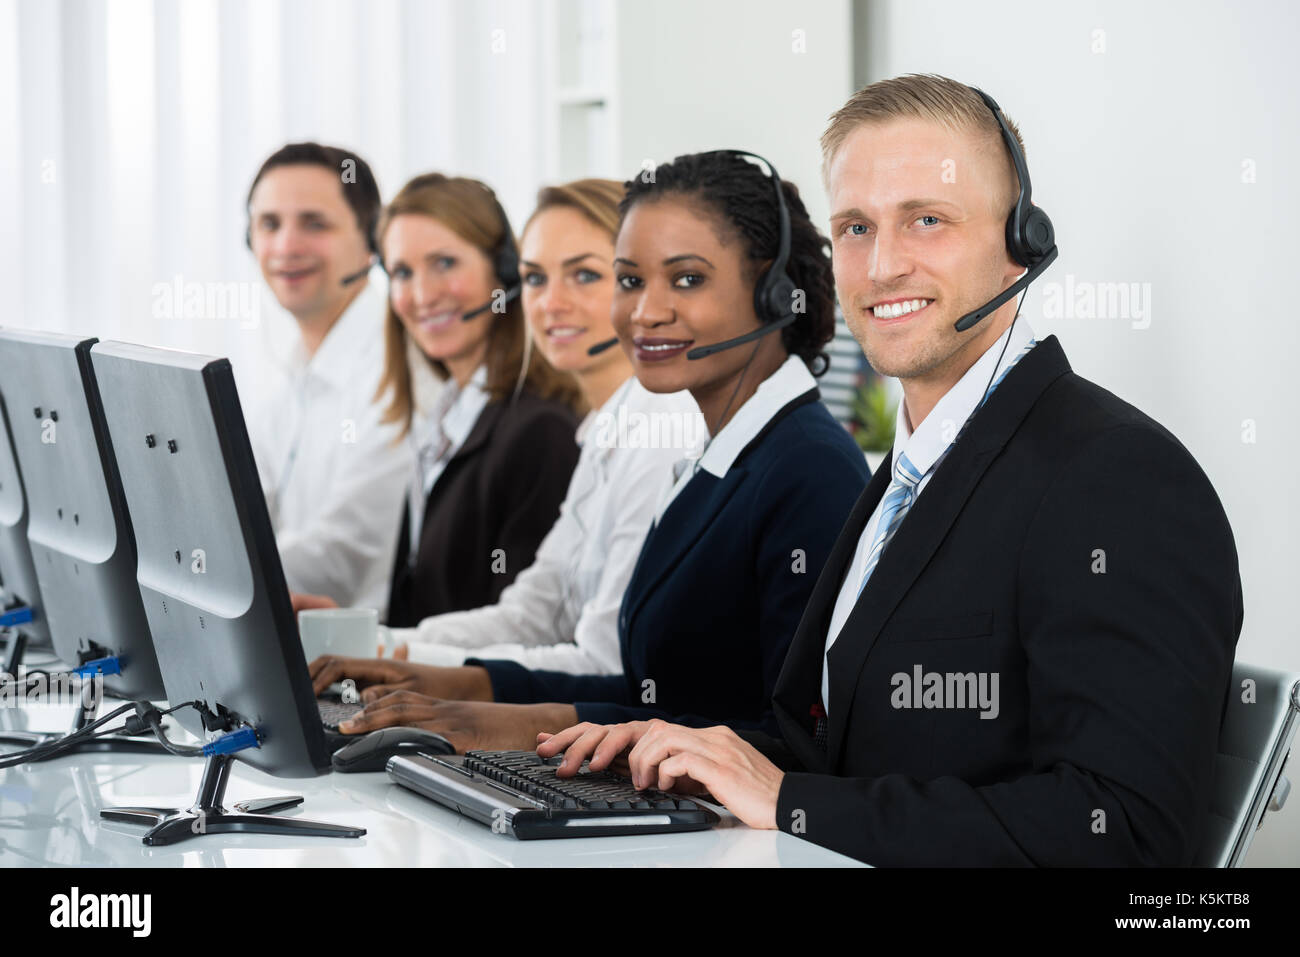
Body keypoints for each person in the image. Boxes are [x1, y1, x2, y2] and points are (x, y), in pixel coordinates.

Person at [538, 75, 1243, 868]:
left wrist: (787, 800)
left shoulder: (1116, 476)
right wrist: (696, 752)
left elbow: (1125, 829)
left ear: (1022, 244)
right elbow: (847, 753)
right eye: (855, 227)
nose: (881, 265)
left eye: (927, 220)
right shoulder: (909, 470)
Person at [309, 150, 871, 751]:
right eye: (630, 281)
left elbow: (800, 742)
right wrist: (443, 681)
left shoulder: (807, 467)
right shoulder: (714, 460)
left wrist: (497, 722)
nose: (645, 312)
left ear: (774, 294)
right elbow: (649, 689)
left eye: (687, 278)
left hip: (738, 842)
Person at [377, 178, 698, 673]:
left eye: (585, 276)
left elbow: (607, 662)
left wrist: (406, 662)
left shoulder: (663, 431)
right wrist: (388, 649)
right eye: (535, 278)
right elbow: (532, 613)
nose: (550, 303)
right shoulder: (600, 432)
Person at [294, 173, 584, 628]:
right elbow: (433, 610)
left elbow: (523, 635)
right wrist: (343, 636)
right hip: (422, 689)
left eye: (445, 263)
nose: (423, 295)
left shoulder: (539, 432)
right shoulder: (443, 422)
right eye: (403, 273)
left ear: (505, 273)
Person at [243, 142, 408, 615]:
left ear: (373, 242)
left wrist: (199, 573)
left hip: (367, 664)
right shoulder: (289, 373)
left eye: (314, 224)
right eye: (269, 224)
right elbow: (245, 514)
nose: (286, 247)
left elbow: (341, 556)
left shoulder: (398, 367)